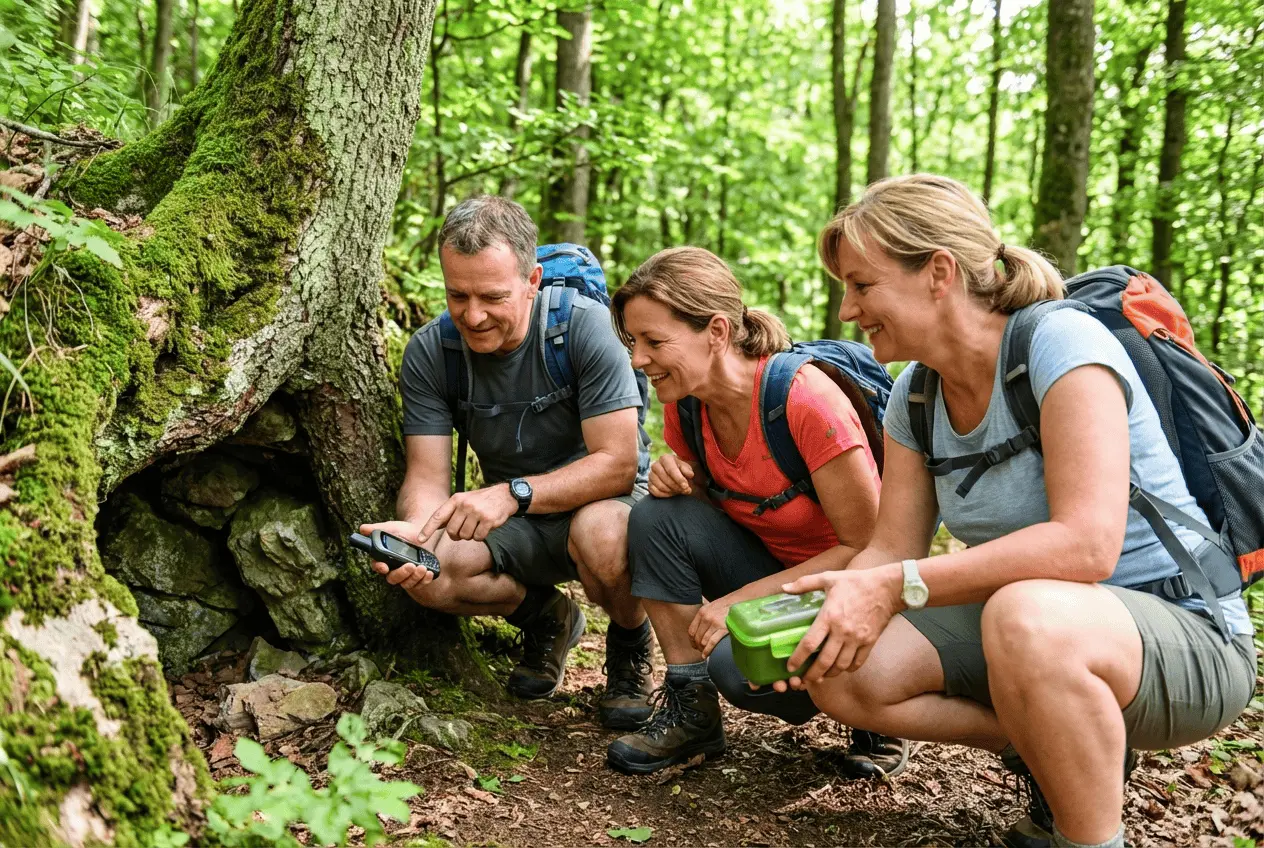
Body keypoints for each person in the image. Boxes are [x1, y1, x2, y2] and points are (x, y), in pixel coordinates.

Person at [776, 174, 1256, 848]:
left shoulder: (1059, 343)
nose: (849, 310)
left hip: (1187, 631)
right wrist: (843, 599)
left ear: (937, 272)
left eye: (862, 285)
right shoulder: (915, 395)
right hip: (1045, 630)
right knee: (848, 666)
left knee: (1024, 613)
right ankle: (1061, 743)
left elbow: (1087, 546)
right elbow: (890, 549)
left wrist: (892, 586)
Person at [603, 246, 911, 777]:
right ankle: (690, 711)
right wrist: (678, 484)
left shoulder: (806, 401)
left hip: (853, 589)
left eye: (655, 342)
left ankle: (876, 707)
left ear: (717, 332)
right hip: (776, 569)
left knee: (735, 665)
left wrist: (741, 600)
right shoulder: (686, 400)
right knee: (654, 516)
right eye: (633, 342)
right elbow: (712, 510)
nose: (637, 360)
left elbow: (869, 547)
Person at [359, 196, 655, 730]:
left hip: (600, 504)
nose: (472, 315)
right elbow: (426, 475)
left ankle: (630, 643)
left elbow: (618, 463)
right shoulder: (433, 352)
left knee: (601, 533)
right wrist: (419, 534)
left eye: (492, 296)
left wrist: (512, 493)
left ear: (532, 280)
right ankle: (548, 620)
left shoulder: (587, 330)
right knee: (431, 573)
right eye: (457, 294)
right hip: (515, 521)